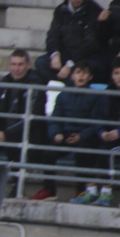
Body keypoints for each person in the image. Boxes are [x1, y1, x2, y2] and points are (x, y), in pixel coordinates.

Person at [70, 58, 120, 206]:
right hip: (107, 134)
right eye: (117, 73)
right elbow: (97, 116)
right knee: (84, 145)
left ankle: (106, 193)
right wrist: (101, 131)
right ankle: (91, 190)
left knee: (105, 150)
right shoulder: (108, 91)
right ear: (112, 75)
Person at [32, 62, 103, 202]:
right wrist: (56, 134)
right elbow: (55, 119)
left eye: (85, 73)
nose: (81, 76)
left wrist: (81, 136)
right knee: (48, 152)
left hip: (84, 136)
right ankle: (49, 190)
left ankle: (82, 191)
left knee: (83, 152)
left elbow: (96, 123)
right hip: (65, 134)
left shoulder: (96, 96)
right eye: (78, 72)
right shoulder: (63, 95)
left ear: (90, 77)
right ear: (72, 76)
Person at [34, 0, 105, 84]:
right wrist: (55, 54)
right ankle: (61, 83)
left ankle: (64, 85)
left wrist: (69, 64)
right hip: (64, 53)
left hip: (84, 57)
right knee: (40, 63)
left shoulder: (95, 11)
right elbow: (53, 35)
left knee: (78, 72)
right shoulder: (61, 10)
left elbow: (90, 44)